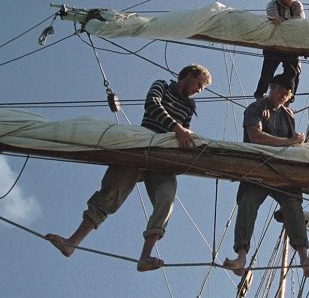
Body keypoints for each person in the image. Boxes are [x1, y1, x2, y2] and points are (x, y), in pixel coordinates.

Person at [45, 64, 212, 272]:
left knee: (166, 199)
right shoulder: (162, 85)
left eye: (202, 88)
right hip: (142, 142)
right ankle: (72, 242)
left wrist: (184, 139)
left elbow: (184, 135)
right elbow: (152, 104)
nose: (200, 90)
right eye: (199, 84)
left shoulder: (189, 108)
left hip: (164, 156)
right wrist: (176, 128)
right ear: (188, 75)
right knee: (112, 193)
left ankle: (145, 256)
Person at [224, 73, 309, 277]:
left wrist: (296, 140)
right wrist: (289, 142)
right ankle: (241, 257)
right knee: (248, 203)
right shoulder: (256, 108)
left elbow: (291, 143)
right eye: (279, 91)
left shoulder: (288, 115)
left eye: (286, 94)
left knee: (293, 205)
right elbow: (256, 137)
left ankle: (305, 258)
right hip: (257, 167)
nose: (282, 96)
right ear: (271, 87)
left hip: (281, 170)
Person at [253, 0, 305, 104]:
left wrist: (285, 20)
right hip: (275, 43)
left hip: (291, 44)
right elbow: (275, 21)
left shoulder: (297, 5)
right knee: (268, 71)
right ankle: (259, 95)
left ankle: (289, 97)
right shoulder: (272, 5)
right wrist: (287, 22)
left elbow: (301, 22)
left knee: (293, 72)